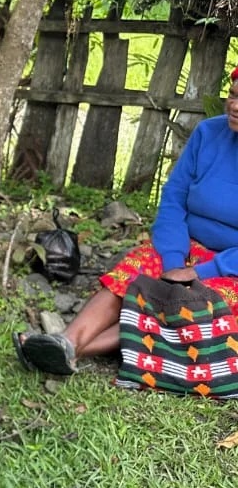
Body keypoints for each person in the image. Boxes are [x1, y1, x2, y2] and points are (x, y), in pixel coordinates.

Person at [17, 70, 238, 376]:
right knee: (136, 272)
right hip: (187, 247)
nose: (234, 105)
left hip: (231, 267)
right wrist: (174, 260)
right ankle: (66, 340)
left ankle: (71, 349)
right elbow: (174, 197)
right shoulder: (208, 133)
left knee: (191, 305)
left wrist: (199, 272)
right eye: (233, 94)